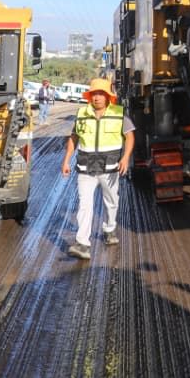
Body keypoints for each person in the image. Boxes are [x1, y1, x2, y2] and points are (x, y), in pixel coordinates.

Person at [61, 77, 134, 260]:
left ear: (108, 96)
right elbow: (74, 137)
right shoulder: (82, 114)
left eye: (101, 94)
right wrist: (66, 160)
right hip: (86, 168)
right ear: (89, 96)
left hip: (109, 168)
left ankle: (109, 229)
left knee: (111, 201)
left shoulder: (119, 114)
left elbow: (130, 136)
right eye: (94, 94)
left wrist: (126, 157)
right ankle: (82, 244)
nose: (97, 97)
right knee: (84, 205)